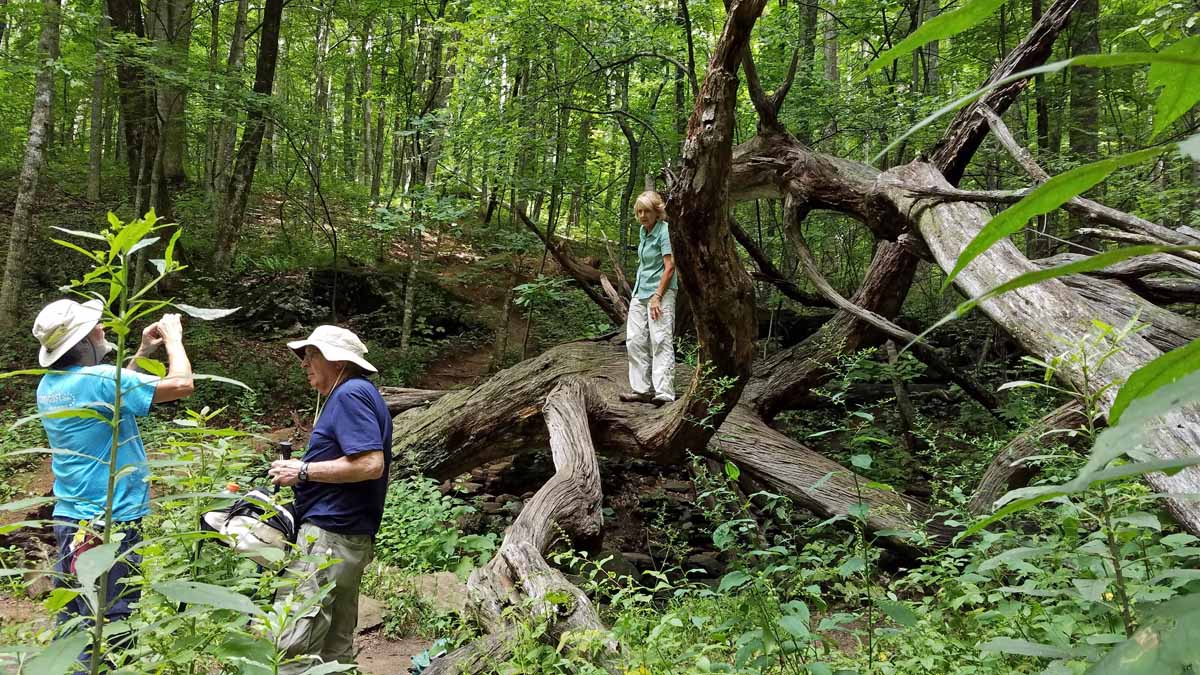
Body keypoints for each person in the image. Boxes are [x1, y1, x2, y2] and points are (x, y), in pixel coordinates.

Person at [33, 300, 194, 632]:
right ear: (82, 342)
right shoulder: (99, 379)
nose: (102, 327)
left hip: (70, 518)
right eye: (95, 326)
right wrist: (174, 339)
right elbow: (182, 385)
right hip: (109, 521)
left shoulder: (49, 385)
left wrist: (143, 352)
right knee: (111, 625)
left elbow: (113, 395)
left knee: (75, 620)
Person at [268, 325, 392, 673]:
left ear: (337, 361)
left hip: (329, 538)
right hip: (346, 537)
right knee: (335, 650)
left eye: (312, 355)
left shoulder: (350, 393)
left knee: (292, 644)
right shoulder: (358, 392)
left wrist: (303, 471)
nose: (304, 363)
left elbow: (370, 464)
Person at [620, 190, 678, 405]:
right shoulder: (643, 232)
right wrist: (638, 293)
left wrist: (657, 296)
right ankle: (641, 390)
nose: (643, 215)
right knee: (635, 340)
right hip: (640, 291)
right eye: (639, 212)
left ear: (657, 212)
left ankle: (664, 393)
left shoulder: (665, 231)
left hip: (660, 292)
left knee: (660, 339)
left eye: (647, 211)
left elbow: (670, 267)